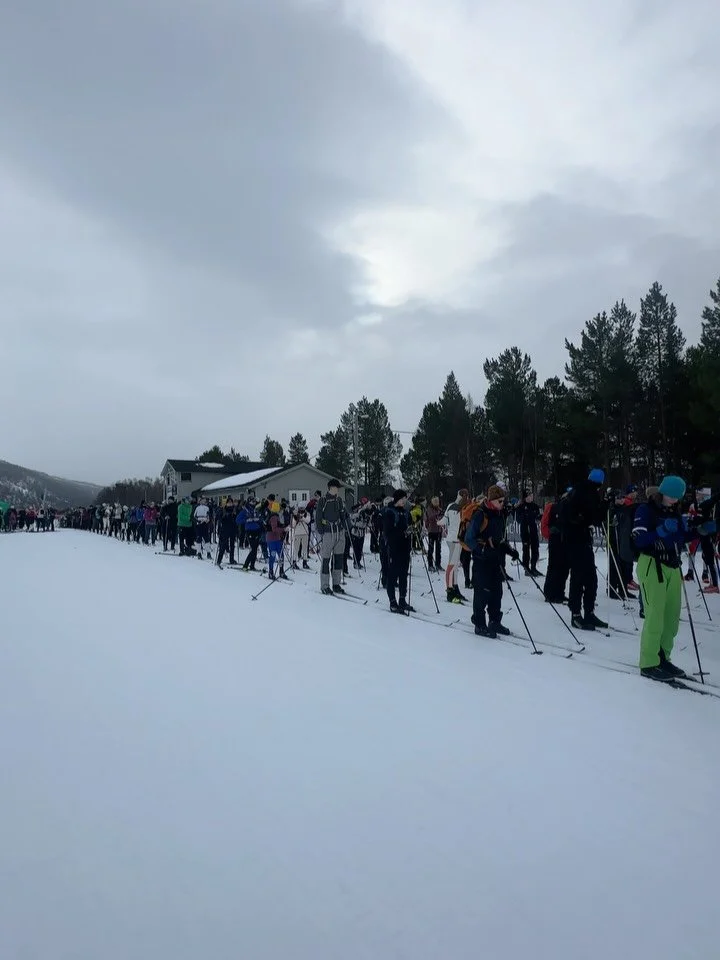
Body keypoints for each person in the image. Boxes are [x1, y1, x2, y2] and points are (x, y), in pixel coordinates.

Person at [632, 475, 701, 680]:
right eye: (671, 495)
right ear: (662, 492)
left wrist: (699, 531)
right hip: (652, 564)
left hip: (672, 566)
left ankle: (663, 657)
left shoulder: (675, 511)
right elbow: (639, 539)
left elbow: (680, 536)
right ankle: (648, 662)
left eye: (677, 497)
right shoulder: (646, 510)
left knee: (671, 618)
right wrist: (660, 531)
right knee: (655, 615)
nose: (674, 500)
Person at [465, 485, 519, 638]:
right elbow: (469, 539)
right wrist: (482, 550)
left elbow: (499, 539)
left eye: (504, 500)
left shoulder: (499, 515)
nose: (503, 503)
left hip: (496, 561)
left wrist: (509, 551)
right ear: (492, 500)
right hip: (481, 561)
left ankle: (495, 621)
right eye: (500, 501)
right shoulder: (480, 514)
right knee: (482, 593)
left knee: (497, 593)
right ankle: (479, 624)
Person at [558, 469, 608, 631]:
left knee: (589, 577)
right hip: (576, 539)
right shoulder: (584, 492)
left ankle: (588, 612)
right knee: (580, 577)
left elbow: (593, 516)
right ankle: (577, 614)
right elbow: (590, 516)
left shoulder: (585, 491)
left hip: (580, 539)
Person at [383, 490, 415, 613]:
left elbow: (409, 525)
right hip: (393, 548)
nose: (404, 501)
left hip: (405, 547)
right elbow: (388, 532)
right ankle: (392, 602)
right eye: (402, 499)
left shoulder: (406, 513)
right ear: (397, 499)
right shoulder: (390, 512)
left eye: (405, 499)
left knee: (403, 574)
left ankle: (402, 599)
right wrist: (403, 533)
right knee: (393, 575)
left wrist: (411, 531)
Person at [316, 479, 349, 595]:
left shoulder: (339, 500)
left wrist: (345, 525)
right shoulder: (323, 500)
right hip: (328, 533)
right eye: (336, 487)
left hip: (339, 532)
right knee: (326, 559)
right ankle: (325, 585)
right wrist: (321, 532)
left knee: (338, 559)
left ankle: (336, 584)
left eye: (338, 488)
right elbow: (318, 517)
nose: (337, 489)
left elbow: (342, 515)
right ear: (330, 487)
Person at [608, 486, 638, 599]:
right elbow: (608, 523)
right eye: (618, 498)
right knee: (614, 565)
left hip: (623, 540)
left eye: (622, 498)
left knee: (624, 565)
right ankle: (611, 589)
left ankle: (623, 588)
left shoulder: (625, 508)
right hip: (613, 541)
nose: (621, 500)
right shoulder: (611, 509)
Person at [441, 489, 470, 603]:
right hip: (453, 540)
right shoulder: (454, 506)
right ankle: (450, 591)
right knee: (452, 566)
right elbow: (444, 520)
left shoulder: (464, 507)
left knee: (455, 566)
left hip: (458, 539)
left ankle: (455, 588)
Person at [543, 491, 570, 603]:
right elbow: (546, 523)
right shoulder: (553, 507)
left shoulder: (569, 508)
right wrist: (551, 531)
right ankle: (550, 593)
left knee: (564, 568)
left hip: (566, 540)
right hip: (556, 539)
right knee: (554, 567)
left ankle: (560, 592)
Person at [515, 491, 540, 576]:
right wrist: (524, 517)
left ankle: (533, 567)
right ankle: (526, 568)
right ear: (525, 497)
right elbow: (518, 519)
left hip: (533, 530)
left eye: (531, 495)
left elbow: (538, 516)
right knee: (526, 550)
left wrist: (539, 518)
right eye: (529, 496)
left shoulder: (535, 506)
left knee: (535, 549)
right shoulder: (521, 506)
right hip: (525, 530)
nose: (530, 497)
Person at [266, 501, 289, 579]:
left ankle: (280, 571)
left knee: (280, 555)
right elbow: (274, 528)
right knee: (273, 555)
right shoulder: (274, 517)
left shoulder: (276, 516)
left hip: (277, 539)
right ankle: (271, 572)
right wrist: (284, 529)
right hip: (272, 539)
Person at [240, 498, 262, 571]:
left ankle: (252, 565)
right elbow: (238, 520)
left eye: (254, 501)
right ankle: (245, 565)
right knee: (253, 549)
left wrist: (258, 519)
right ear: (249, 502)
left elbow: (261, 518)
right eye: (252, 501)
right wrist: (246, 520)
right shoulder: (245, 510)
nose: (254, 503)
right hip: (249, 530)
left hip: (257, 530)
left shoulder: (256, 509)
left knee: (255, 548)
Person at [216, 497, 237, 566]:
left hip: (233, 529)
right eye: (229, 503)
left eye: (231, 502)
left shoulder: (234, 510)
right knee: (223, 545)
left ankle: (231, 559)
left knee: (232, 545)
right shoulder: (223, 510)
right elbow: (219, 518)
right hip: (225, 530)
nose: (230, 504)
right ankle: (219, 560)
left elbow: (236, 519)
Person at [424, 496, 444, 571]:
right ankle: (430, 565)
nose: (436, 503)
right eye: (435, 502)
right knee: (431, 549)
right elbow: (429, 518)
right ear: (432, 502)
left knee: (438, 549)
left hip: (438, 531)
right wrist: (436, 516)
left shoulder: (440, 509)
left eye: (437, 502)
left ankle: (438, 564)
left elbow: (442, 518)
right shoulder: (429, 509)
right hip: (432, 531)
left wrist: (441, 517)